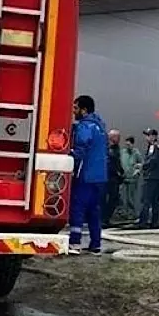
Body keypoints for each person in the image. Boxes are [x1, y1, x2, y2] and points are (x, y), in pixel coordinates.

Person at [70, 95, 108, 254]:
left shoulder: (85, 126)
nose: (74, 112)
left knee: (77, 208)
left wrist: (70, 156)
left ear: (84, 110)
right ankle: (96, 244)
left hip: (86, 174)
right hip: (100, 176)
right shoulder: (100, 126)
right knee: (94, 211)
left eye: (76, 108)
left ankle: (74, 243)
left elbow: (81, 148)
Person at [137, 127, 159, 229]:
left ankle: (142, 222)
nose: (146, 138)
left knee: (146, 200)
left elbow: (152, 160)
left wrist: (143, 166)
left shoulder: (153, 147)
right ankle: (154, 222)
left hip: (151, 177)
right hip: (158, 177)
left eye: (148, 135)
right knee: (155, 201)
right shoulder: (158, 146)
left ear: (153, 137)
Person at [103, 129, 124, 224]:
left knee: (113, 198)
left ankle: (106, 218)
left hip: (114, 177)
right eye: (117, 137)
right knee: (106, 198)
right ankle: (103, 218)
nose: (119, 139)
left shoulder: (115, 148)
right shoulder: (107, 148)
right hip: (108, 177)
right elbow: (111, 163)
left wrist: (121, 172)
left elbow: (117, 163)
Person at [119, 135, 142, 220]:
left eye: (129, 145)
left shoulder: (136, 153)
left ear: (132, 144)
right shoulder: (122, 152)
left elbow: (141, 164)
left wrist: (137, 171)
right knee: (120, 196)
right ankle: (123, 212)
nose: (127, 146)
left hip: (132, 179)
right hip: (123, 178)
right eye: (126, 145)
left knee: (130, 198)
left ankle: (132, 214)